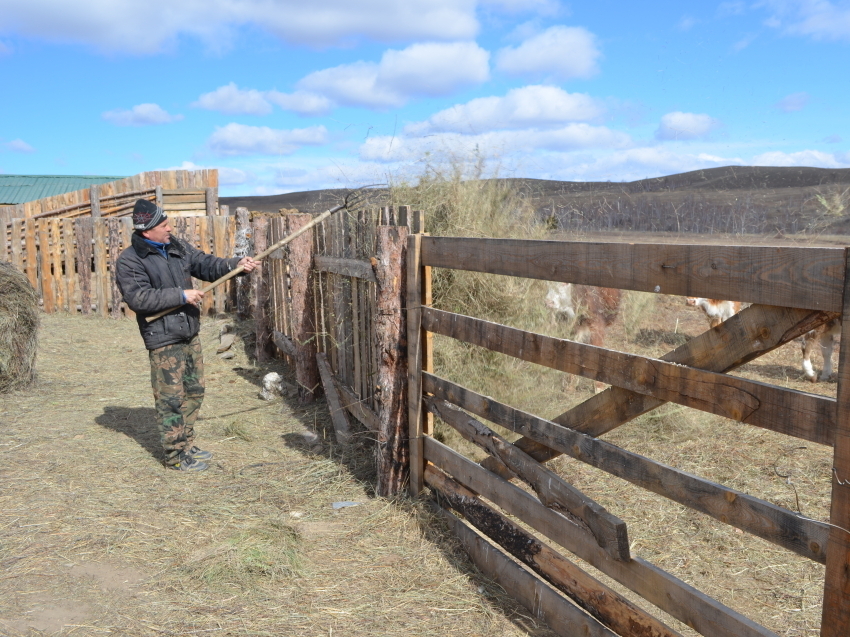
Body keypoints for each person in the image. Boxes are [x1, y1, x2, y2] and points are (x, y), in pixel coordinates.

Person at [116, 199, 258, 471]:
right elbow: (139, 298)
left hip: (189, 333)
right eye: (164, 224)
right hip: (163, 338)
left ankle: (186, 444)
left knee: (193, 391)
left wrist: (235, 264)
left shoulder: (176, 247)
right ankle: (174, 457)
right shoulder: (131, 260)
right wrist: (180, 295)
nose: (170, 227)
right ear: (147, 230)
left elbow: (205, 264)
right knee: (170, 399)